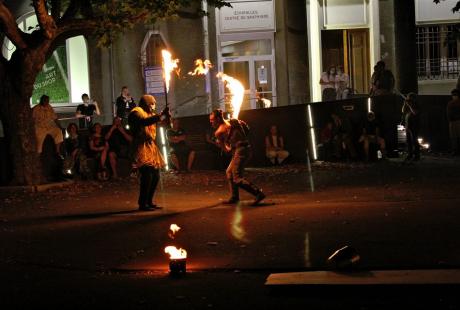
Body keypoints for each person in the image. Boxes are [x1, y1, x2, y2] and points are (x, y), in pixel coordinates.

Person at [209, 109, 265, 205]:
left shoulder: (218, 132)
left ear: (218, 118)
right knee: (229, 172)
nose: (211, 122)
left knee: (237, 177)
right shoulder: (234, 122)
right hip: (245, 148)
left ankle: (258, 193)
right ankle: (235, 197)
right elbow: (247, 131)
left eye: (212, 119)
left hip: (240, 151)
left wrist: (221, 144)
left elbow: (227, 151)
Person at [128, 94, 170, 211]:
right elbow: (143, 122)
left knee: (155, 175)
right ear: (146, 103)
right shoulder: (136, 112)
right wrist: (159, 116)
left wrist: (166, 116)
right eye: (152, 104)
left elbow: (166, 125)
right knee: (147, 175)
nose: (154, 106)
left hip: (150, 146)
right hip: (140, 146)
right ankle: (142, 203)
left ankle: (148, 201)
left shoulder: (151, 114)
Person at [402, 92, 421, 161]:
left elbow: (415, 112)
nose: (408, 98)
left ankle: (417, 156)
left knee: (414, 141)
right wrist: (405, 104)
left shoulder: (416, 104)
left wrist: (409, 105)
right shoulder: (408, 104)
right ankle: (410, 154)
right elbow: (403, 111)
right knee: (408, 141)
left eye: (409, 97)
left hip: (414, 125)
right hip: (408, 125)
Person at [447, 89, 460, 156]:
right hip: (453, 122)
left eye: (455, 95)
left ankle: (455, 151)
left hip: (455, 121)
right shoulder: (450, 103)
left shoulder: (451, 103)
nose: (453, 96)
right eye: (453, 95)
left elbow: (449, 113)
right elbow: (448, 113)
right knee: (453, 137)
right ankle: (455, 151)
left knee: (454, 137)